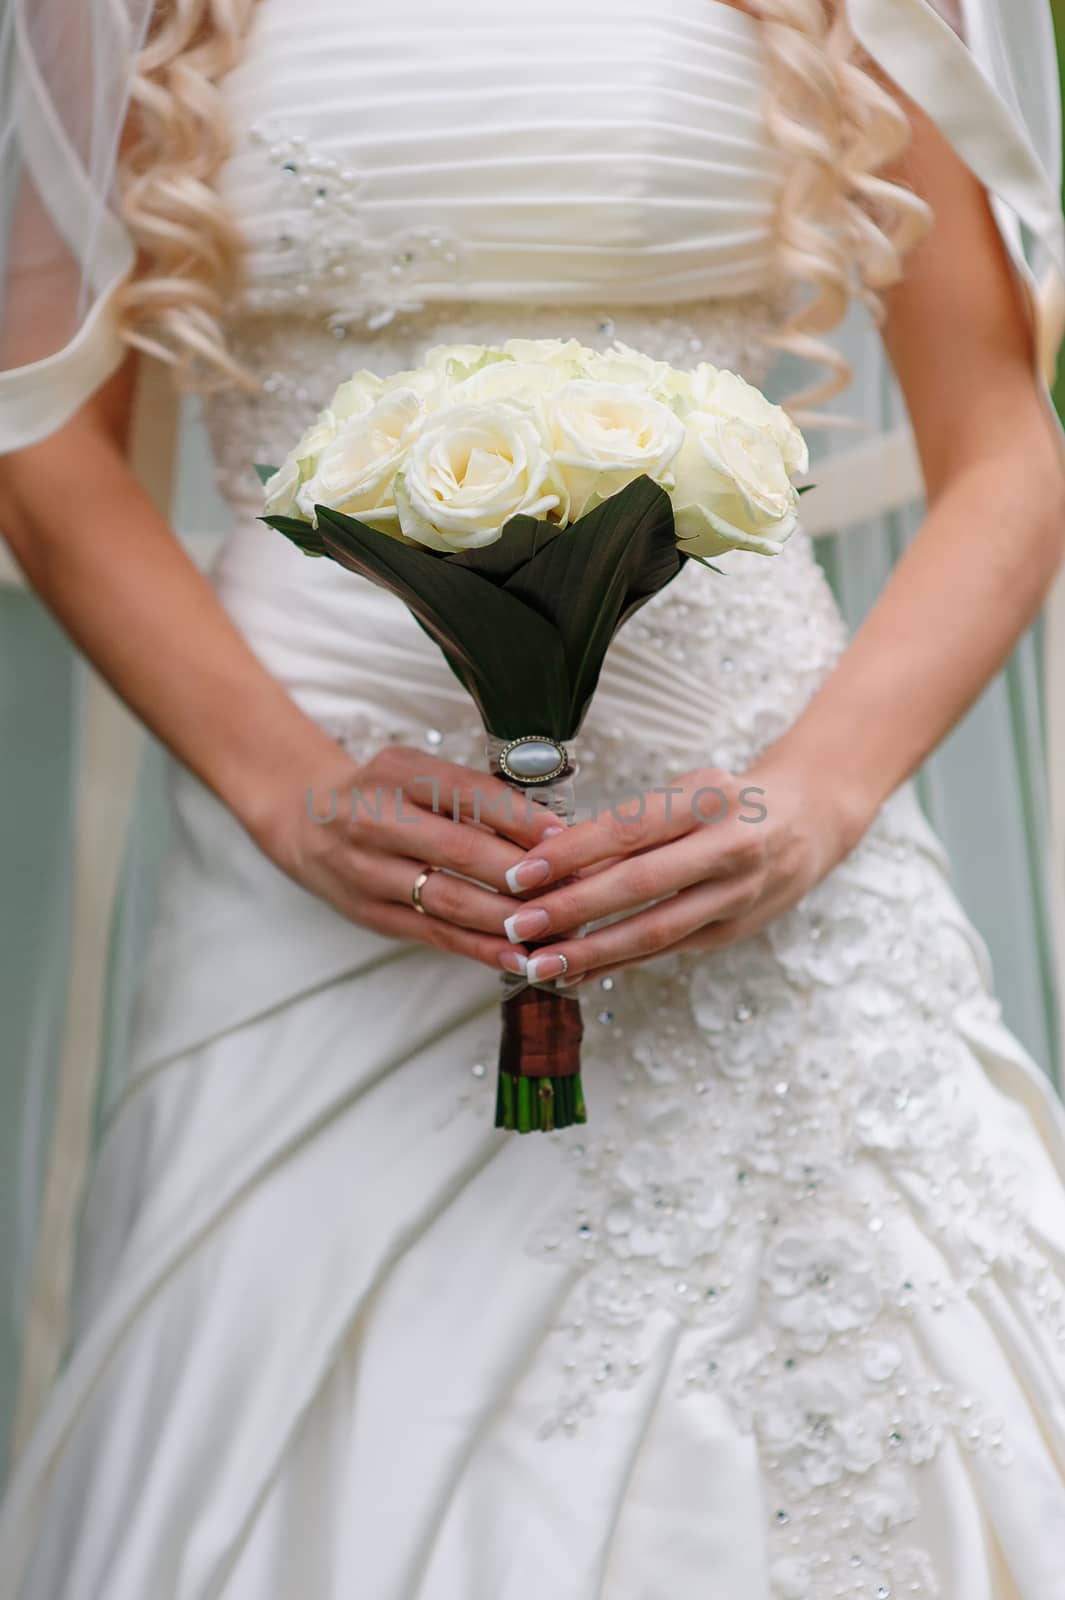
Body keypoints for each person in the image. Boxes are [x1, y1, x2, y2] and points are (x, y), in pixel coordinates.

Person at [2, 0, 1065, 1593]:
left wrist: (813, 800)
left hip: (758, 822)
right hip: (336, 853)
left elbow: (1002, 445)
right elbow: (35, 435)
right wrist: (290, 798)